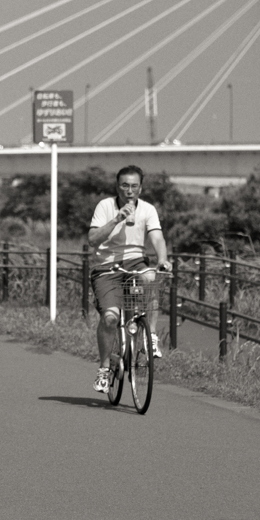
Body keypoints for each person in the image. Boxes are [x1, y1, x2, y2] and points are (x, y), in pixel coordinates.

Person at [87, 165, 171, 394]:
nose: (129, 191)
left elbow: (157, 237)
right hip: (106, 266)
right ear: (117, 186)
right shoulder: (105, 206)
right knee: (110, 318)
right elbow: (93, 239)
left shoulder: (148, 209)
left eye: (134, 186)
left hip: (135, 262)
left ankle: (151, 336)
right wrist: (116, 219)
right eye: (125, 185)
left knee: (151, 277)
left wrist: (162, 259)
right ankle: (104, 369)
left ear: (141, 188)